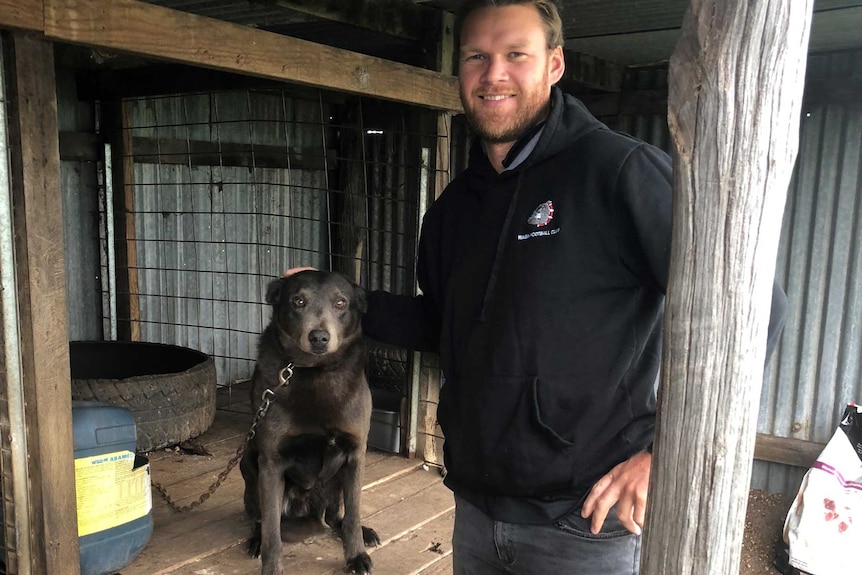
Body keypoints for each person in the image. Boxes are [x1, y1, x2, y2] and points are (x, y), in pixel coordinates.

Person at [289, 1, 787, 573]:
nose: (493, 73)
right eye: (477, 56)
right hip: (476, 510)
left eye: (515, 55)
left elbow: (749, 310)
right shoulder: (453, 210)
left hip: (587, 522)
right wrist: (340, 302)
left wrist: (665, 456)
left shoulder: (618, 172)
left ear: (554, 65)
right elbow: (444, 326)